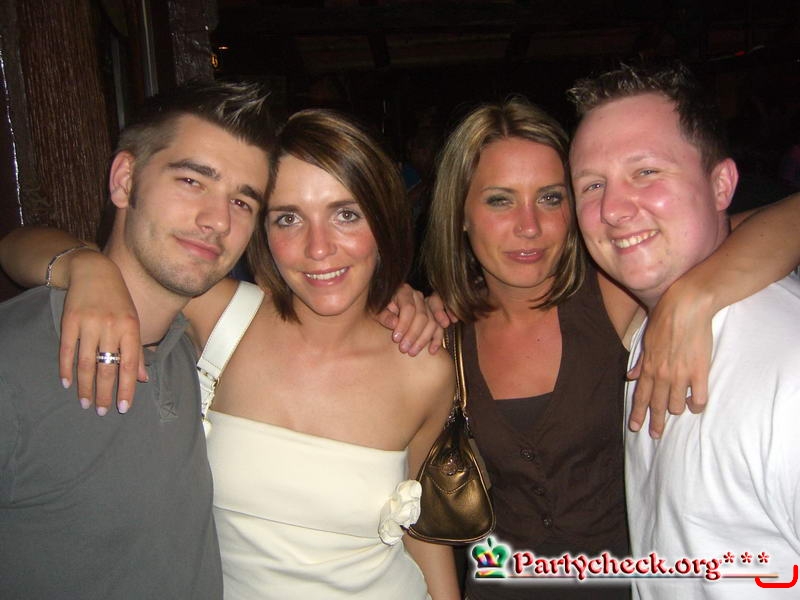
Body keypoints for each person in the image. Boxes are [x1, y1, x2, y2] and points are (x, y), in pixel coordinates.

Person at [1, 109, 460, 599]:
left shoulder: (423, 367)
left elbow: (420, 525)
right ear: (262, 231)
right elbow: (16, 245)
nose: (319, 248)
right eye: (288, 218)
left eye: (346, 214)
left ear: (384, 221)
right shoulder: (222, 315)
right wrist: (86, 268)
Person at [423, 96, 800, 600]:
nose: (529, 225)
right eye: (500, 200)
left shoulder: (613, 293)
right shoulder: (440, 335)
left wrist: (695, 294)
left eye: (551, 198)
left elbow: (787, 218)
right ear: (460, 214)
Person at [0, 80, 274, 599]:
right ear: (125, 181)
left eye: (242, 202)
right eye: (192, 180)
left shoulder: (189, 345)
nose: (217, 220)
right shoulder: (14, 363)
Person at [568, 63, 800, 599]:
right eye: (593, 185)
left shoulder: (786, 374)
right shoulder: (642, 331)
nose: (613, 209)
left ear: (721, 185)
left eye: (646, 171)